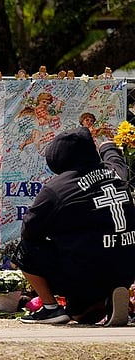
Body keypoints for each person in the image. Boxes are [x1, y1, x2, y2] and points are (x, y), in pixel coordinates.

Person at [12, 127, 135, 326]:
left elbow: (29, 231)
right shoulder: (116, 174)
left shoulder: (57, 188)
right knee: (80, 314)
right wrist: (108, 146)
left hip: (87, 271)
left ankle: (51, 308)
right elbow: (115, 159)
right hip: (126, 268)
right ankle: (108, 299)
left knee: (25, 249)